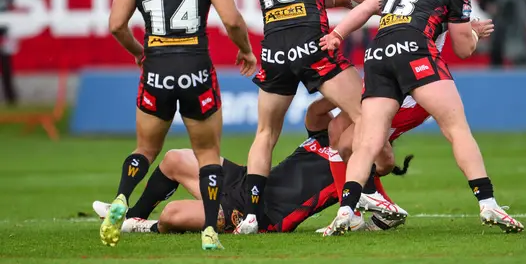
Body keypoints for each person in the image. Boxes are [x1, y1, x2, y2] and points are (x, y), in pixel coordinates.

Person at [320, 0, 524, 235]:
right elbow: (465, 49)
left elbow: (366, 7)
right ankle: (488, 202)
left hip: (377, 53)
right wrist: (475, 34)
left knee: (367, 142)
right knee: (456, 128)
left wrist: (337, 34)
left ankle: (347, 210)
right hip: (414, 51)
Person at [104, 0, 256, 250]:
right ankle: (209, 229)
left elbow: (116, 25)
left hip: (157, 66)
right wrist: (245, 49)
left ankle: (123, 199)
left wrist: (140, 52)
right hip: (195, 68)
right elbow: (232, 19)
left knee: (145, 148)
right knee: (206, 153)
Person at [235, 0, 371, 234]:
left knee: (265, 134)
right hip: (313, 44)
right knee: (366, 118)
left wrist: (338, 0)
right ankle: (362, 199)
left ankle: (250, 216)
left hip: (274, 49)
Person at [92, 98, 412, 234]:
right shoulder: (321, 137)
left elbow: (387, 208)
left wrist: (380, 148)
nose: (343, 122)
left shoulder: (358, 168)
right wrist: (345, 92)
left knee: (173, 213)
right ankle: (133, 214)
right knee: (175, 157)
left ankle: (143, 227)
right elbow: (315, 111)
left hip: (266, 216)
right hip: (249, 183)